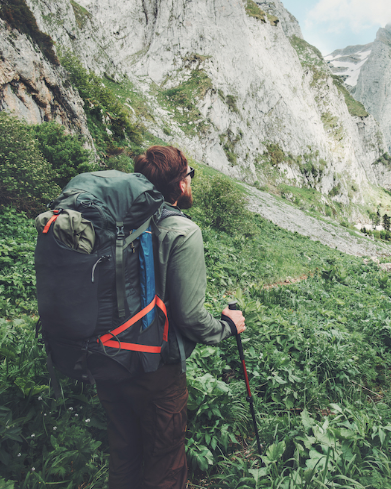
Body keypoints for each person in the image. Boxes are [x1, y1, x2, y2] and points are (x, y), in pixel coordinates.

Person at [95, 145, 246, 488]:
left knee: (124, 454)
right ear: (180, 185)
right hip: (156, 369)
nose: (191, 182)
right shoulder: (182, 231)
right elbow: (190, 317)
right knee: (164, 459)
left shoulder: (116, 218)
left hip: (107, 356)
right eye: (190, 175)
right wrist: (227, 327)